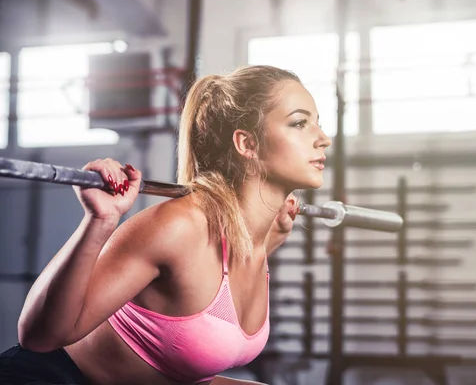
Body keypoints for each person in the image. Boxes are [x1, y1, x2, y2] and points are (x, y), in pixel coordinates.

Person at [0, 65, 332, 385]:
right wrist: (100, 221)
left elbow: (186, 362)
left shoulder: (257, 240)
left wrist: (270, 238)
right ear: (247, 144)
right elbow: (38, 337)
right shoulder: (179, 227)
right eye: (300, 123)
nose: (323, 139)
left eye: (318, 123)